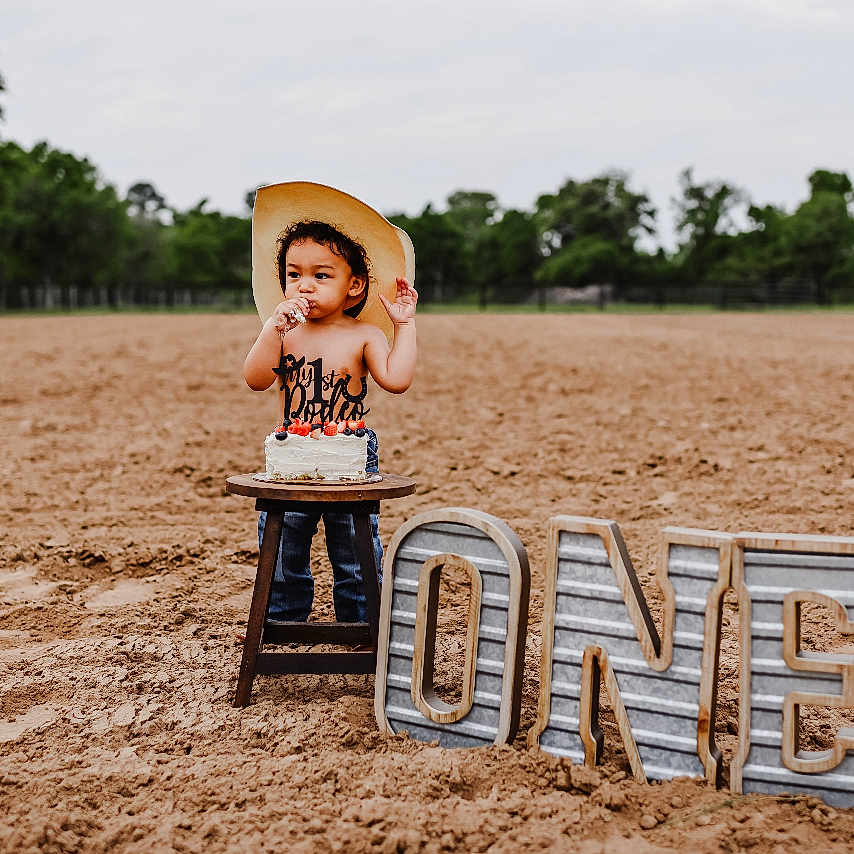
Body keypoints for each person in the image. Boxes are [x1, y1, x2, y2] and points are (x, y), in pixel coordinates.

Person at [243, 200, 417, 624]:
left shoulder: (365, 334)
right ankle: (282, 620)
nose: (305, 286)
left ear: (353, 286)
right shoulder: (284, 334)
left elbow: (396, 380)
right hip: (293, 448)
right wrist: (271, 328)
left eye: (321, 276)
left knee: (354, 548)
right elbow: (255, 378)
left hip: (350, 449)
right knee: (283, 542)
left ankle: (361, 620)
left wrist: (405, 326)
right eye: (294, 275)